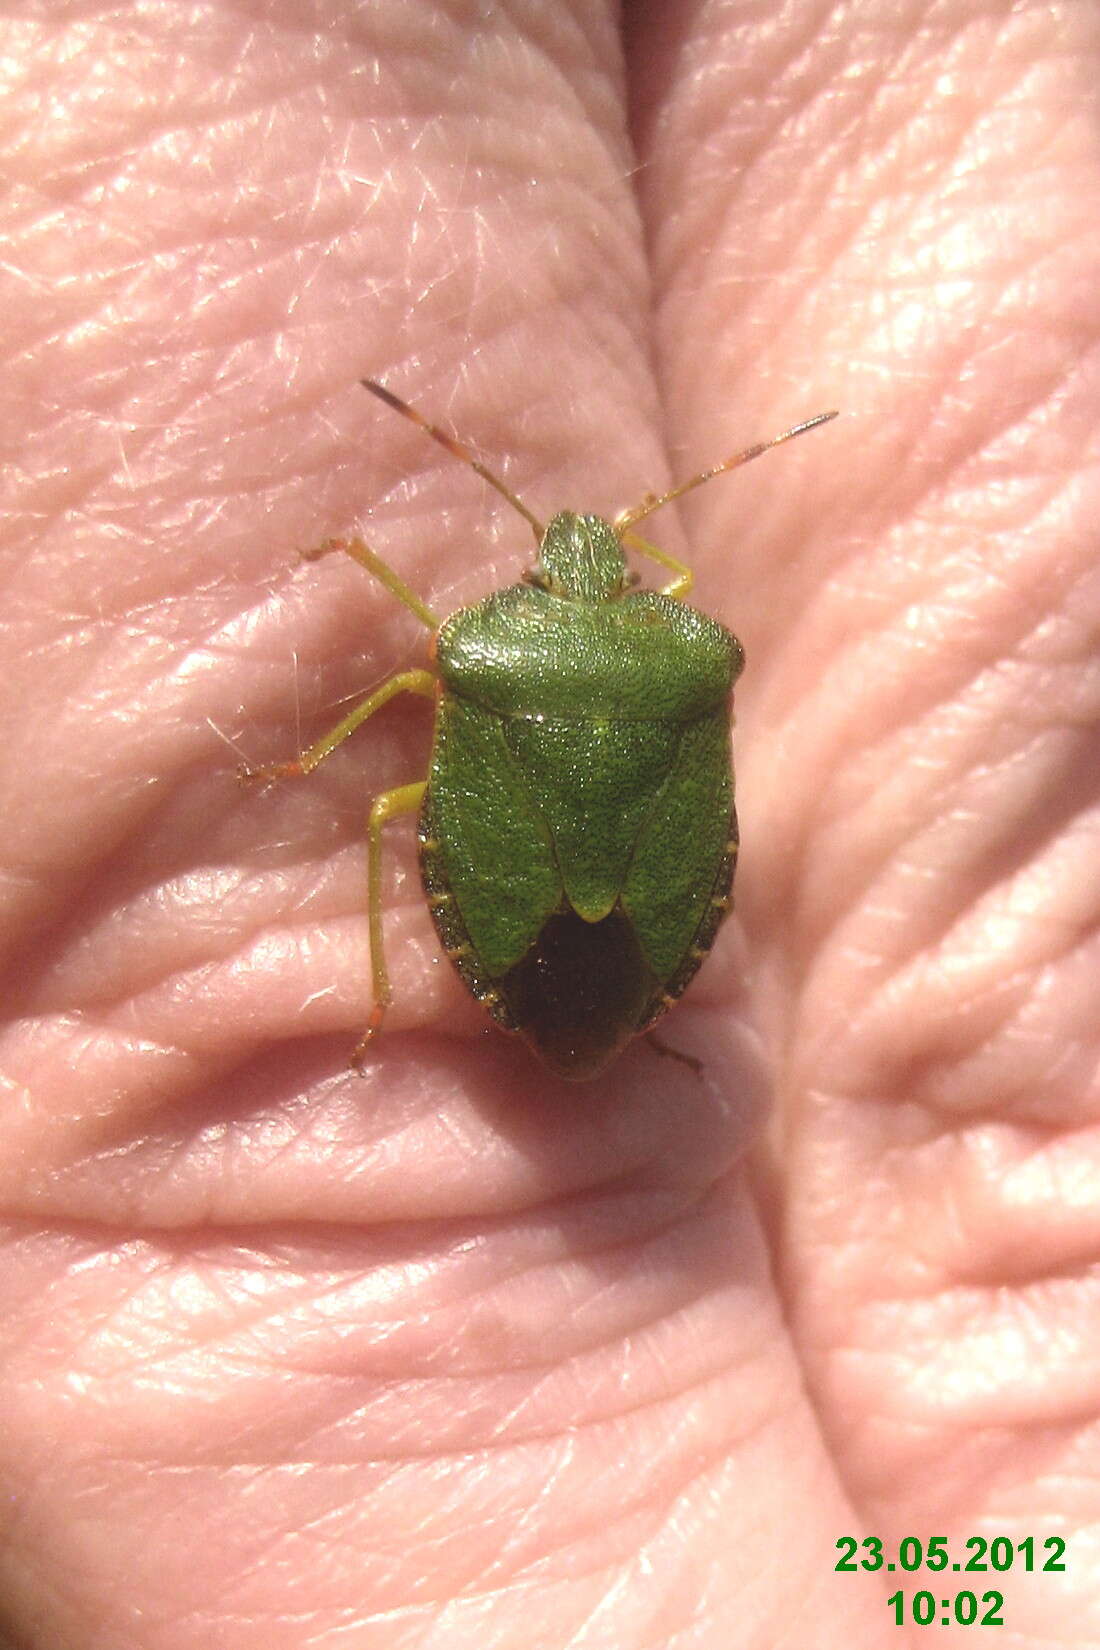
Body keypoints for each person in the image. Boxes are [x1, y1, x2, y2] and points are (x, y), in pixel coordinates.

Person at [0, 2, 1089, 1644]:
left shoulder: (474, 654)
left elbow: (385, 742)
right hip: (630, 912)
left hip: (517, 873)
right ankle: (605, 1030)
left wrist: (308, 761)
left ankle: (395, 1002)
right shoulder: (679, 649)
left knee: (375, 826)